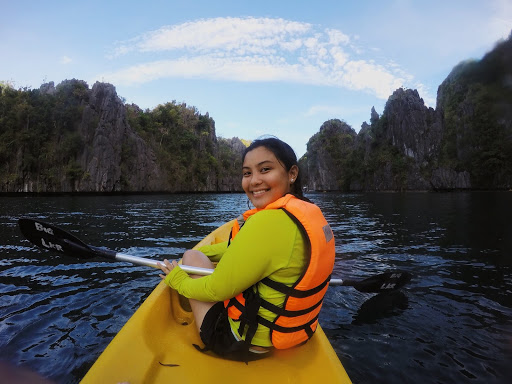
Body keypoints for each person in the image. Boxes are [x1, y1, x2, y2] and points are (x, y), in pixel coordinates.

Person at [158, 137, 335, 362]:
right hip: (288, 334)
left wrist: (176, 279)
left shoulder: (268, 222)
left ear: (292, 173)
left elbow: (215, 291)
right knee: (194, 255)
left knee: (192, 257)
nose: (254, 181)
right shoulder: (302, 215)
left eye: (265, 169)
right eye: (247, 173)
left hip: (241, 342)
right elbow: (239, 247)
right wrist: (208, 254)